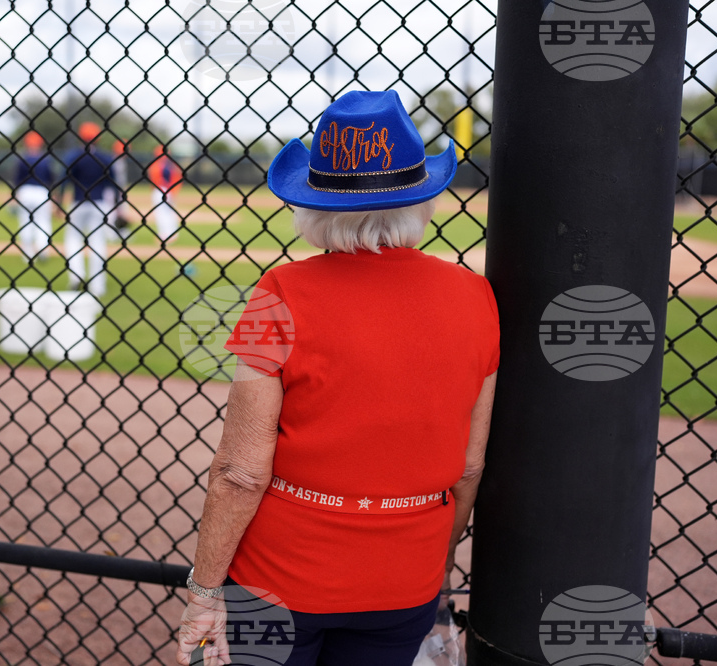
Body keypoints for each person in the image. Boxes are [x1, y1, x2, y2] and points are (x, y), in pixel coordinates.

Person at [175, 90, 500, 665]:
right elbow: (470, 464)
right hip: (405, 577)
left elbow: (240, 472)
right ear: (421, 202)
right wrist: (437, 562)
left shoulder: (276, 292)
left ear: (314, 205)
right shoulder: (476, 296)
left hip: (278, 580)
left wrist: (204, 592)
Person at [63, 122, 115, 296]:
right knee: (98, 243)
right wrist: (116, 205)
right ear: (98, 138)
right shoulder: (105, 158)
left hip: (78, 202)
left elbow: (65, 180)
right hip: (99, 204)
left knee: (73, 240)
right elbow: (114, 184)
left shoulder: (74, 157)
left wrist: (58, 201)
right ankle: (98, 286)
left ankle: (76, 275)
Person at [13, 130, 56, 259]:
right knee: (43, 222)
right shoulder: (45, 159)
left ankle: (27, 254)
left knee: (25, 222)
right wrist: (52, 196)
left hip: (25, 192)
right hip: (42, 192)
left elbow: (17, 179)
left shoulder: (22, 159)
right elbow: (51, 179)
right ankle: (43, 250)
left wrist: (15, 195)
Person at [148, 144, 182, 243]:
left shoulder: (159, 165)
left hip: (161, 190)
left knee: (161, 213)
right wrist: (174, 191)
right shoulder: (170, 165)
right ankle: (172, 233)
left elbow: (155, 180)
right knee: (169, 212)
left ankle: (165, 234)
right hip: (169, 191)